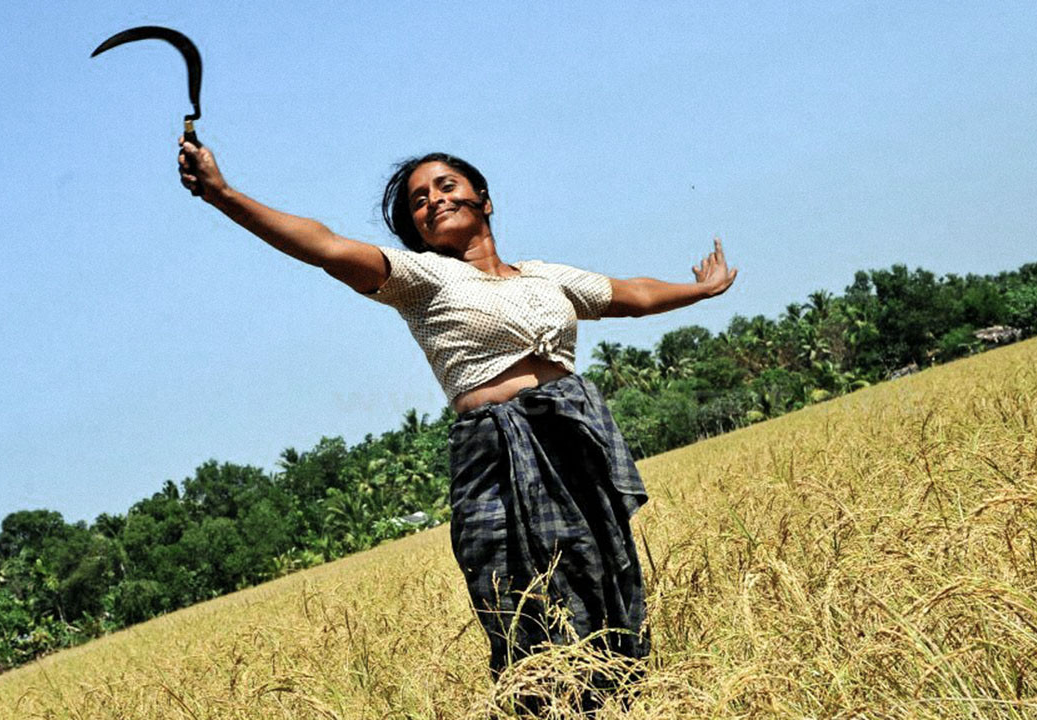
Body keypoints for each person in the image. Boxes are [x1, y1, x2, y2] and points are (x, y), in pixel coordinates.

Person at [176, 141, 738, 704]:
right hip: (495, 450)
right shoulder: (421, 278)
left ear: (484, 200)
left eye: (446, 186)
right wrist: (224, 195)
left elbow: (631, 295)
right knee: (516, 595)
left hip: (573, 438)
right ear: (417, 231)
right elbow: (323, 246)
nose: (434, 200)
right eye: (419, 201)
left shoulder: (544, 276)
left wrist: (702, 289)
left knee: (602, 575)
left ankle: (629, 701)